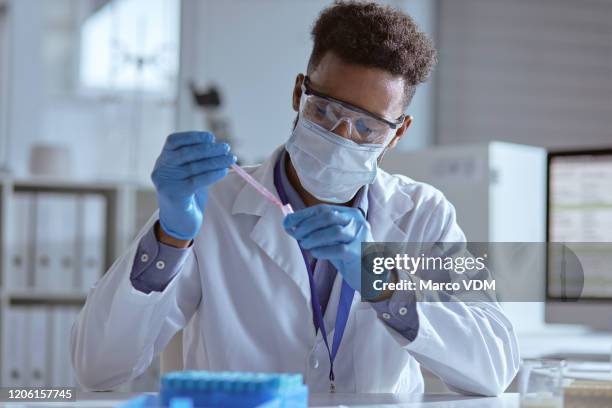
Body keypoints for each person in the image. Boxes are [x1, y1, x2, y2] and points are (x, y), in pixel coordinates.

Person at [71, 1, 519, 395]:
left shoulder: (424, 214)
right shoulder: (213, 204)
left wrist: (382, 284)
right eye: (324, 110)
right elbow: (98, 368)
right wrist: (170, 235)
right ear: (298, 93)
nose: (342, 137)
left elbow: (493, 365)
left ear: (399, 132)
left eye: (368, 127)